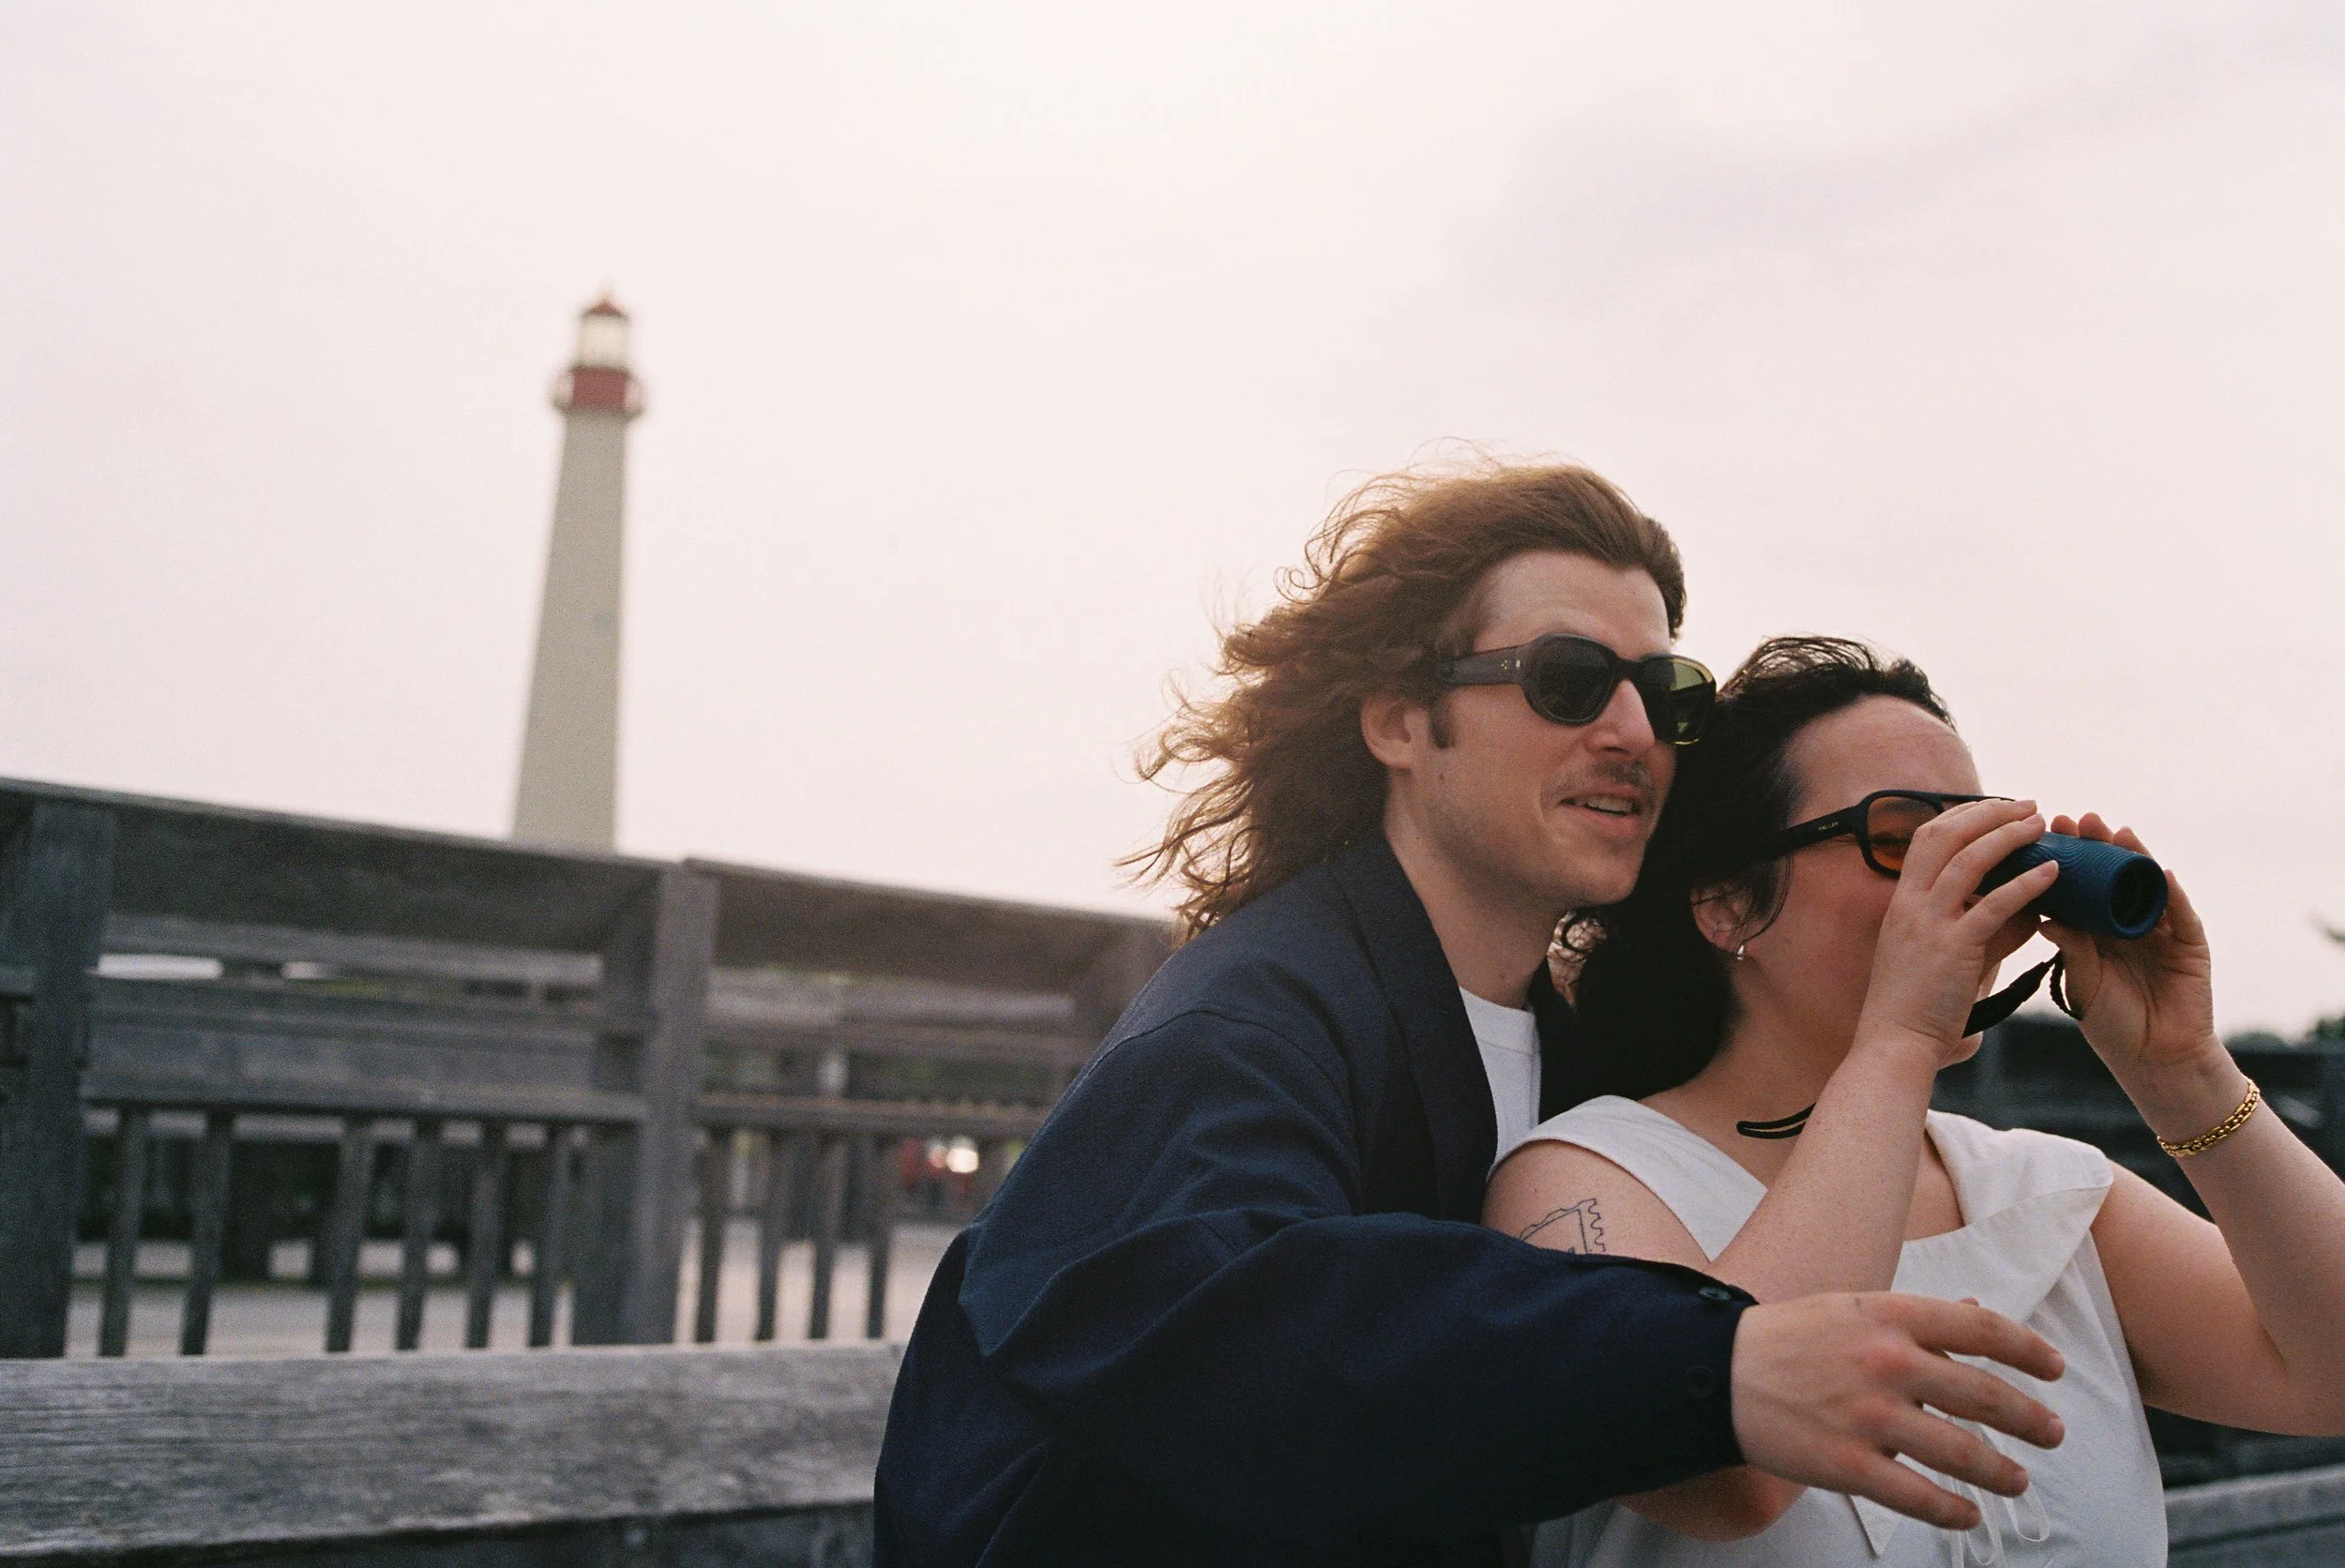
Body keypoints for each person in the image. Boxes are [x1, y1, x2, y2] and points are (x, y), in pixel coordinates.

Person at [875, 468, 2068, 1567]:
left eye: (1665, 692)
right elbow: (1233, 1323)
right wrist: (1709, 1362)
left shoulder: (1573, 1048)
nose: (1634, 732)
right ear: (1397, 721)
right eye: (1566, 681)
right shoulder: (1245, 1021)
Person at [1486, 636, 2345, 1566]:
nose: (1967, 877)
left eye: (1982, 835)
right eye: (1902, 837)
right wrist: (1896, 1041)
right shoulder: (1582, 1182)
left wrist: (2182, 1069)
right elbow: (1723, 1465)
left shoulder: (2046, 1198)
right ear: (1728, 904)